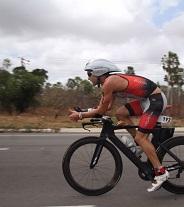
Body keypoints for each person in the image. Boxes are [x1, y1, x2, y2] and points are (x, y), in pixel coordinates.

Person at [68, 59, 169, 192]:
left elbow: (102, 111)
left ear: (98, 73)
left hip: (155, 100)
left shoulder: (110, 83)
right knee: (120, 113)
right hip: (147, 100)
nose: (88, 78)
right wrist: (84, 111)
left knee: (141, 137)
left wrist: (80, 116)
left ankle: (161, 172)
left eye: (89, 74)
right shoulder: (110, 83)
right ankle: (140, 145)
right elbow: (105, 107)